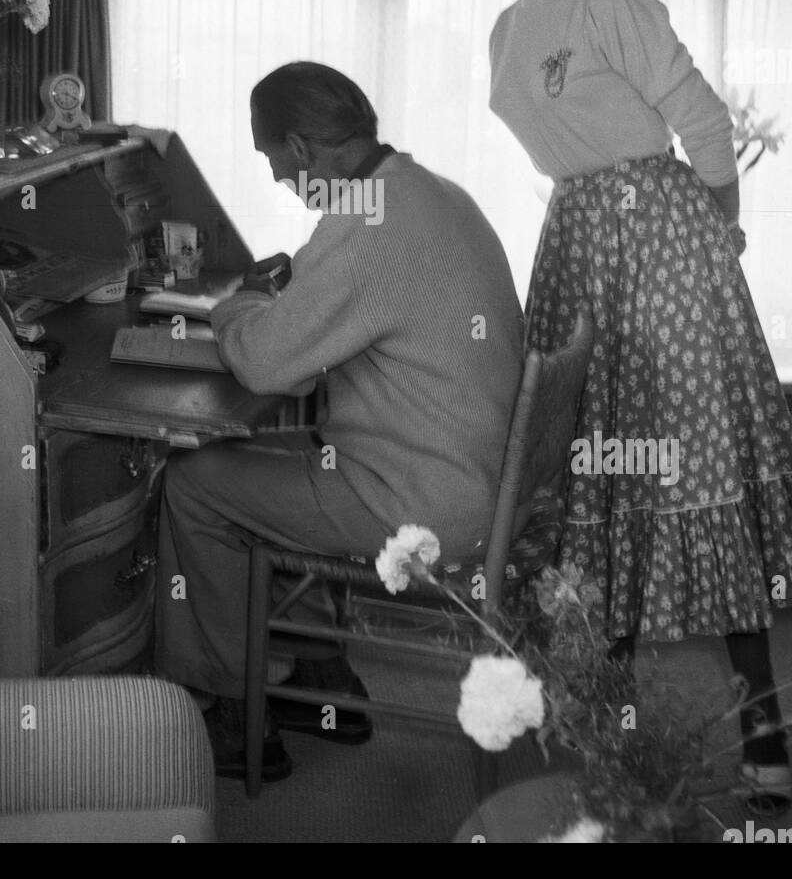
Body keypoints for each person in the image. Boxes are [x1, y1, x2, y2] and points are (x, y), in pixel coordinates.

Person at [424, 0, 792, 814]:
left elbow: (700, 121)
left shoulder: (609, 0)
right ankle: (608, 731)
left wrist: (716, 234)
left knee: (694, 478)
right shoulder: (505, 32)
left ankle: (765, 737)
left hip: (662, 245)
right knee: (595, 490)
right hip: (577, 238)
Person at [154, 61, 524, 781]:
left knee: (195, 482)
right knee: (297, 456)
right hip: (474, 478)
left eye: (271, 162)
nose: (277, 181)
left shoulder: (363, 222)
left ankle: (239, 718)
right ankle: (323, 684)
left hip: (422, 502)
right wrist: (291, 301)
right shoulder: (431, 192)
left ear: (299, 147)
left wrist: (231, 306)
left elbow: (264, 366)